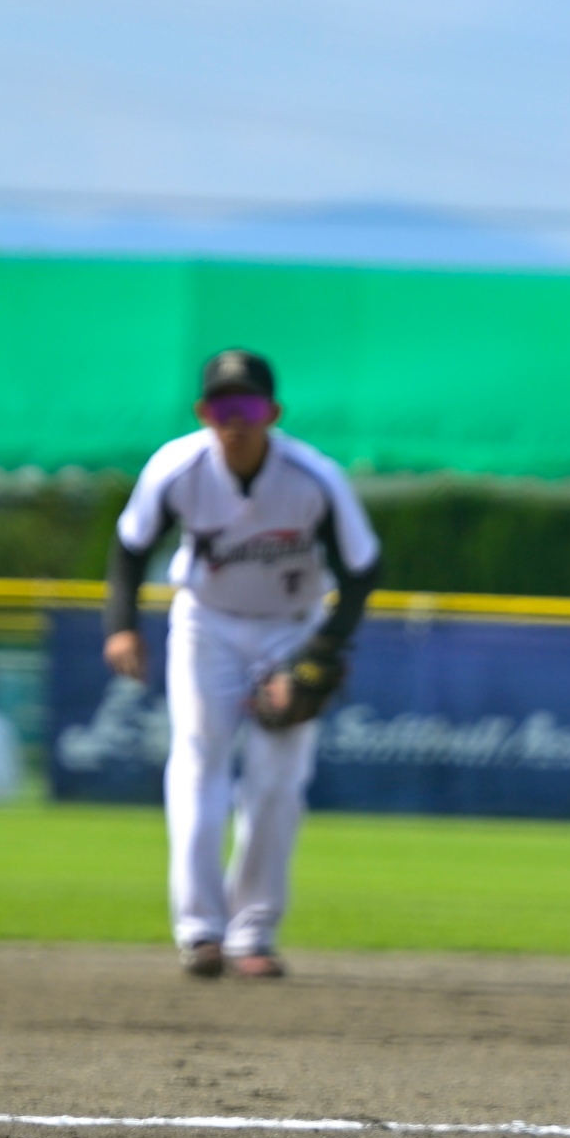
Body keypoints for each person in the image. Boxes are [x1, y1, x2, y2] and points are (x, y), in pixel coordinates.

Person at [103, 349, 382, 980]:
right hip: (207, 622)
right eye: (222, 406)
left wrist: (320, 652)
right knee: (198, 763)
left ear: (272, 413)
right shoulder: (178, 468)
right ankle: (200, 930)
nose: (235, 421)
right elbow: (129, 547)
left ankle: (252, 932)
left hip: (291, 626)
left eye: (248, 406)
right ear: (203, 413)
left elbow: (363, 570)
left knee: (278, 780)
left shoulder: (313, 478)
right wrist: (120, 626)